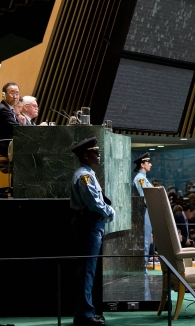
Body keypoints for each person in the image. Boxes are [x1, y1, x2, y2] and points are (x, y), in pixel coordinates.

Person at [70, 137, 115, 326]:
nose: (99, 154)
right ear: (86, 155)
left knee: (87, 271)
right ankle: (86, 315)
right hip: (89, 224)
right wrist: (110, 212)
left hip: (90, 224)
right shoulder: (84, 176)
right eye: (95, 152)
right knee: (87, 271)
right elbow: (94, 202)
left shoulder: (88, 173)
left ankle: (84, 312)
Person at [133, 152, 154, 269]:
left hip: (147, 212)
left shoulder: (143, 178)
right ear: (142, 164)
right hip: (143, 212)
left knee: (146, 242)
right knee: (144, 243)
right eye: (148, 162)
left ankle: (143, 267)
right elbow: (143, 197)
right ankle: (142, 268)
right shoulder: (140, 179)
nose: (150, 164)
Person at [0, 82, 24, 155]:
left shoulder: (8, 108)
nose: (15, 96)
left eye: (17, 93)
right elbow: (17, 129)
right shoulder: (3, 110)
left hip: (9, 144)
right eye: (12, 93)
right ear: (4, 95)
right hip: (6, 147)